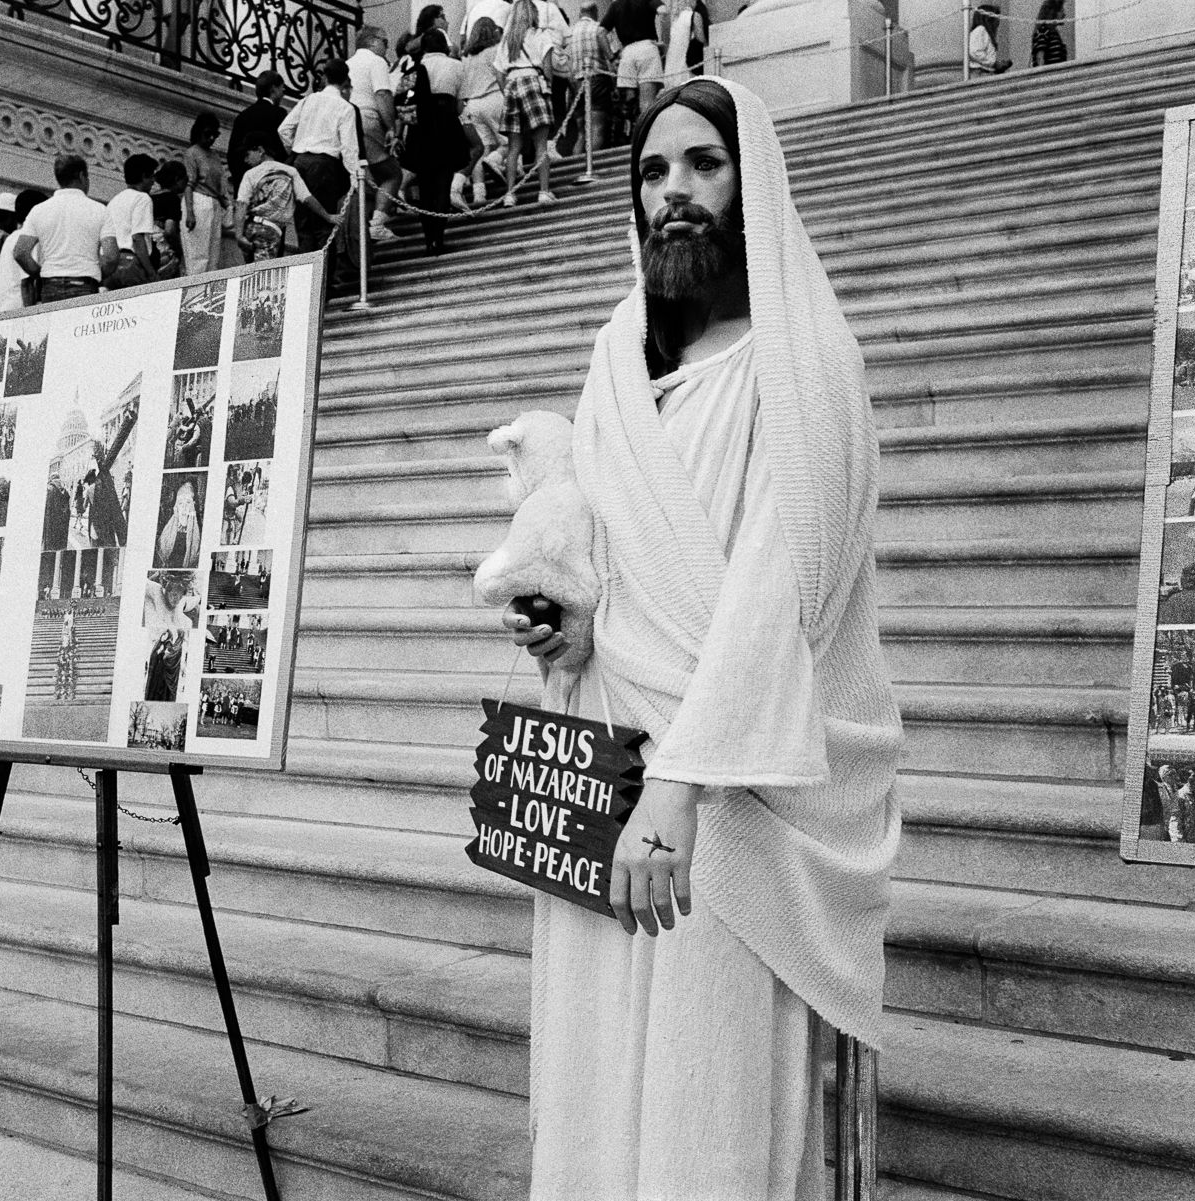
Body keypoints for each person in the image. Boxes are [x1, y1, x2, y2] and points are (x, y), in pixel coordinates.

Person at [502, 78, 901, 1198]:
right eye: (653, 170)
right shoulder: (613, 359)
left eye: (703, 165)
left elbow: (780, 594)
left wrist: (675, 794)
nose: (674, 191)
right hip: (605, 777)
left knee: (700, 1093)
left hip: (721, 802)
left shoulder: (807, 362)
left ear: (752, 182)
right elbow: (621, 565)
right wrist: (567, 624)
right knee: (592, 1079)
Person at [280, 60, 363, 268]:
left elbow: (284, 129)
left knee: (303, 224)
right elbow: (349, 148)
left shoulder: (309, 100)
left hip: (300, 162)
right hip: (325, 165)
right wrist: (355, 176)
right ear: (345, 80)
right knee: (325, 224)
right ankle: (324, 283)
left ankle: (307, 280)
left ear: (324, 77)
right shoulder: (345, 107)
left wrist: (296, 148)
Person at [401, 29, 469, 256]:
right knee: (443, 182)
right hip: (446, 124)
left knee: (425, 186)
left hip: (421, 128)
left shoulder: (415, 68)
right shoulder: (456, 66)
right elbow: (460, 104)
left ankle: (428, 236)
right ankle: (438, 237)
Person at [18, 155, 120, 305]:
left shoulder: (38, 210)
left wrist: (40, 274)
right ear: (81, 176)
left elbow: (20, 252)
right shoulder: (100, 210)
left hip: (50, 287)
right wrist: (96, 272)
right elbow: (111, 257)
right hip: (85, 285)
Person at [235, 129, 338, 261]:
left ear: (260, 150)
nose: (246, 160)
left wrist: (238, 235)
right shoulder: (290, 171)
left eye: (247, 154)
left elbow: (241, 204)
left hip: (250, 227)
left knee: (250, 272)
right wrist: (328, 216)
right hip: (271, 228)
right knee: (263, 273)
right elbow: (307, 198)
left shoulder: (250, 174)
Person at [493, 0, 558, 207]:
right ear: (533, 14)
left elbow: (498, 72)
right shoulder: (540, 34)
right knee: (541, 143)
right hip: (533, 82)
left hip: (512, 84)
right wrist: (546, 88)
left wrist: (508, 90)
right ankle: (544, 190)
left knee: (514, 146)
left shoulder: (507, 40)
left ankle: (510, 194)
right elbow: (548, 68)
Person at [348, 29, 403, 245]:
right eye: (385, 41)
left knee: (365, 177)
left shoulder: (349, 63)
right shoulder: (377, 62)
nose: (387, 47)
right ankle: (377, 224)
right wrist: (391, 127)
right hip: (367, 119)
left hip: (347, 119)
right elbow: (382, 94)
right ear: (372, 41)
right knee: (391, 173)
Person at [455, 17, 508, 208]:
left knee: (481, 149)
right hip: (494, 97)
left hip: (472, 105)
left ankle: (479, 194)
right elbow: (502, 74)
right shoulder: (495, 50)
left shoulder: (465, 56)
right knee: (510, 141)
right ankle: (495, 160)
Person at [605, 0, 662, 145]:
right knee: (647, 103)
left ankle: (629, 138)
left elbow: (600, 32)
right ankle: (648, 141)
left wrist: (611, 57)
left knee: (628, 103)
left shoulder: (616, 5)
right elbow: (663, 10)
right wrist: (661, 38)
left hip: (627, 52)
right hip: (646, 48)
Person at [227, 71, 288, 203]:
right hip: (269, 186)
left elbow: (232, 155)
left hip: (245, 186)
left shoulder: (243, 116)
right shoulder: (278, 114)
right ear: (273, 89)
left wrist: (241, 180)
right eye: (282, 88)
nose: (283, 92)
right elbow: (283, 149)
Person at [104, 154, 162, 290]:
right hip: (131, 264)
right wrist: (151, 274)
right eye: (151, 176)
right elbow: (137, 238)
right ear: (143, 176)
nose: (154, 181)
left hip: (111, 265)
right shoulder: (143, 198)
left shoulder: (114, 201)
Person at [182, 114, 229, 276]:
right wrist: (190, 212)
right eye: (207, 134)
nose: (210, 138)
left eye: (214, 135)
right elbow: (189, 183)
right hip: (198, 200)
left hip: (215, 203)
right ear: (198, 132)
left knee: (213, 255)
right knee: (198, 254)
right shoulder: (192, 153)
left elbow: (221, 184)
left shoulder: (215, 156)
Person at [566, 1, 613, 161]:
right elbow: (609, 58)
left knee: (581, 133)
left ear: (580, 14)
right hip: (596, 79)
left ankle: (575, 169)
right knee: (597, 128)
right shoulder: (598, 29)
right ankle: (592, 166)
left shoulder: (570, 33)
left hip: (576, 84)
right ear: (595, 12)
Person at [0, 187, 54, 312]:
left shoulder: (11, 238)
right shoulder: (29, 239)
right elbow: (26, 284)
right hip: (19, 309)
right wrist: (30, 317)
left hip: (2, 307)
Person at [151, 160, 190, 278]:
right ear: (177, 179)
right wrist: (180, 251)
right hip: (163, 251)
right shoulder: (172, 199)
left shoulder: (150, 197)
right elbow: (169, 231)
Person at [156, 478, 202, 568]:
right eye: (180, 503)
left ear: (193, 505)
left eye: (188, 502)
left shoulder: (199, 538)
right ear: (176, 507)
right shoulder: (166, 533)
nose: (184, 507)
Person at [969, 4, 1010, 75]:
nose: (998, 21)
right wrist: (994, 63)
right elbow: (974, 52)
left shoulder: (984, 32)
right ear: (988, 18)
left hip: (984, 72)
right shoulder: (980, 30)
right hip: (981, 73)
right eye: (997, 17)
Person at [1031, 0, 1068, 66]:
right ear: (1053, 12)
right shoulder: (1043, 31)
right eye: (1062, 10)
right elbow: (1040, 58)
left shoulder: (1054, 34)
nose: (1064, 14)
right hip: (1049, 75)